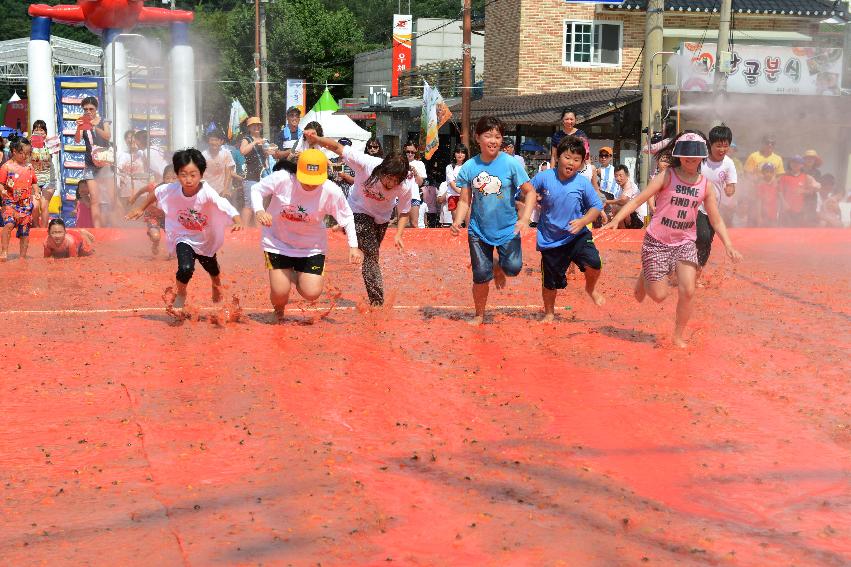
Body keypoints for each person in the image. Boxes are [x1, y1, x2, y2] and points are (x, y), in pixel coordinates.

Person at [600, 131, 743, 348]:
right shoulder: (667, 176)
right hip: (657, 241)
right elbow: (639, 198)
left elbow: (716, 219)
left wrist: (729, 245)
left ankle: (678, 335)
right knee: (659, 296)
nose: (691, 159)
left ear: (702, 157)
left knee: (688, 290)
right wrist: (616, 218)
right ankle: (645, 272)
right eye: (687, 155)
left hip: (685, 242)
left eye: (695, 156)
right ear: (679, 154)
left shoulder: (705, 185)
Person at [127, 149, 243, 316]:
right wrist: (140, 207)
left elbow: (224, 204)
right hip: (183, 236)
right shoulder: (171, 189)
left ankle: (215, 284)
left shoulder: (207, 191)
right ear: (177, 174)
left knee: (212, 268)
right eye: (183, 175)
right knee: (186, 268)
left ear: (201, 174)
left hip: (205, 238)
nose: (188, 180)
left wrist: (237, 219)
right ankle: (181, 293)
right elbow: (155, 193)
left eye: (193, 175)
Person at [251, 150, 363, 322]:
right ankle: (279, 310)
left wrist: (353, 247)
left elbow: (347, 217)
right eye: (306, 180)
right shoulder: (283, 179)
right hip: (278, 242)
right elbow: (256, 189)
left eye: (315, 181)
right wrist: (259, 210)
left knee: (311, 293)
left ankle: (291, 275)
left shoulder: (331, 191)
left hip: (311, 247)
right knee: (281, 292)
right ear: (298, 171)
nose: (310, 185)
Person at [305, 131, 411, 306]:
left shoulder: (406, 185)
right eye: (388, 178)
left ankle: (344, 228)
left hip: (382, 218)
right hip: (357, 210)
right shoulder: (367, 163)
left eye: (395, 181)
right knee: (370, 253)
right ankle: (377, 301)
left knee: (372, 256)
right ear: (382, 169)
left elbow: (405, 211)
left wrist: (399, 234)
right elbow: (337, 147)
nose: (391, 183)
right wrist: (317, 140)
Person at [450, 116, 536, 325]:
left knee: (513, 268)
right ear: (477, 138)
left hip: (507, 229)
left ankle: (498, 265)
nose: (493, 140)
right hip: (478, 230)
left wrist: (525, 219)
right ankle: (479, 315)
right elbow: (464, 200)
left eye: (498, 136)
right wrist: (458, 221)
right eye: (488, 135)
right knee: (480, 274)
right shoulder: (470, 167)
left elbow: (530, 192)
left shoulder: (510, 163)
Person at [533, 135, 605, 322]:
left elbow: (596, 206)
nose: (571, 163)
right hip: (550, 240)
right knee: (550, 282)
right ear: (558, 157)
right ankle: (549, 313)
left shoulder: (582, 183)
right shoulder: (543, 177)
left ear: (581, 164)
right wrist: (532, 199)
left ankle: (590, 287)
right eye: (567, 157)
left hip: (577, 235)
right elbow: (524, 193)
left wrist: (582, 222)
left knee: (594, 263)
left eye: (576, 160)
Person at [696, 124, 737, 275]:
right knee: (702, 236)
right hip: (695, 206)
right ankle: (682, 271)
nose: (722, 150)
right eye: (718, 146)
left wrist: (729, 190)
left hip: (713, 209)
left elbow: (731, 186)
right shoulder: (701, 159)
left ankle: (696, 275)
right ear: (710, 144)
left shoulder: (728, 163)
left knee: (706, 242)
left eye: (725, 146)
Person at [0, 135, 39, 260]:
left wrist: (37, 192)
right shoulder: (6, 167)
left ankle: (22, 256)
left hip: (25, 205)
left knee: (24, 232)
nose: (25, 156)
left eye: (27, 154)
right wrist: (2, 191)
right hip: (10, 203)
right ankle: (4, 251)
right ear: (14, 151)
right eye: (22, 153)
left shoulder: (29, 167)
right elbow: (0, 183)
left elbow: (34, 182)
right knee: (9, 225)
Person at [128, 165, 178, 256]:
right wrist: (134, 198)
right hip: (153, 216)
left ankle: (172, 253)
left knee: (175, 238)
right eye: (167, 178)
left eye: (174, 178)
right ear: (163, 179)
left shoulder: (179, 191)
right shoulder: (154, 187)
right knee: (155, 237)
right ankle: (155, 244)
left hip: (167, 218)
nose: (170, 181)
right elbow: (142, 190)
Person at [77, 96, 111, 227]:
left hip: (105, 163)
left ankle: (114, 224)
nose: (88, 111)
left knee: (110, 198)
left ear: (96, 108)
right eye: (85, 109)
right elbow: (78, 140)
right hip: (90, 164)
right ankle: (98, 230)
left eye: (91, 108)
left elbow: (107, 136)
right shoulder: (82, 121)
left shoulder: (104, 120)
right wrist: (80, 127)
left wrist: (94, 126)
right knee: (95, 199)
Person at [239, 117, 269, 225]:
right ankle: (244, 229)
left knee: (260, 204)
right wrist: (255, 142)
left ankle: (258, 231)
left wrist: (269, 151)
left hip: (263, 175)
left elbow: (267, 156)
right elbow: (242, 151)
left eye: (258, 125)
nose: (257, 127)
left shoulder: (264, 140)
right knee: (249, 204)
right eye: (254, 125)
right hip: (250, 175)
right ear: (249, 128)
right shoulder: (246, 139)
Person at [29, 120, 57, 227]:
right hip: (33, 180)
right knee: (35, 206)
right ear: (33, 132)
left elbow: (56, 150)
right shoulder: (29, 144)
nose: (39, 132)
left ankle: (44, 230)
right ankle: (36, 228)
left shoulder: (50, 143)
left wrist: (48, 140)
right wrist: (29, 142)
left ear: (45, 132)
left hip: (49, 179)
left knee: (44, 205)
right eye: (36, 130)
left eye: (41, 130)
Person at [778, 155, 820, 227]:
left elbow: (814, 189)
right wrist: (784, 203)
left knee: (798, 232)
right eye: (793, 162)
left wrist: (803, 191)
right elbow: (779, 191)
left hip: (800, 210)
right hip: (786, 210)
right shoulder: (784, 177)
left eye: (798, 163)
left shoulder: (806, 177)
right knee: (784, 232)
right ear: (790, 164)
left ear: (802, 165)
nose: (795, 164)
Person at [201, 129, 236, 197]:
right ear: (208, 141)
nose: (214, 142)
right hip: (207, 191)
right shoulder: (203, 155)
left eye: (216, 140)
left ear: (221, 141)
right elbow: (200, 174)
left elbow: (228, 173)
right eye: (212, 140)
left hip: (222, 191)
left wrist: (225, 189)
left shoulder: (226, 153)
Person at [402, 141, 426, 228]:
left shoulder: (420, 164)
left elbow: (420, 183)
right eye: (408, 152)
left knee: (414, 224)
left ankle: (413, 242)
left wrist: (415, 172)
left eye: (412, 152)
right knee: (401, 224)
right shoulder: (400, 163)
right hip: (401, 196)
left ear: (416, 151)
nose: (410, 154)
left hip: (414, 196)